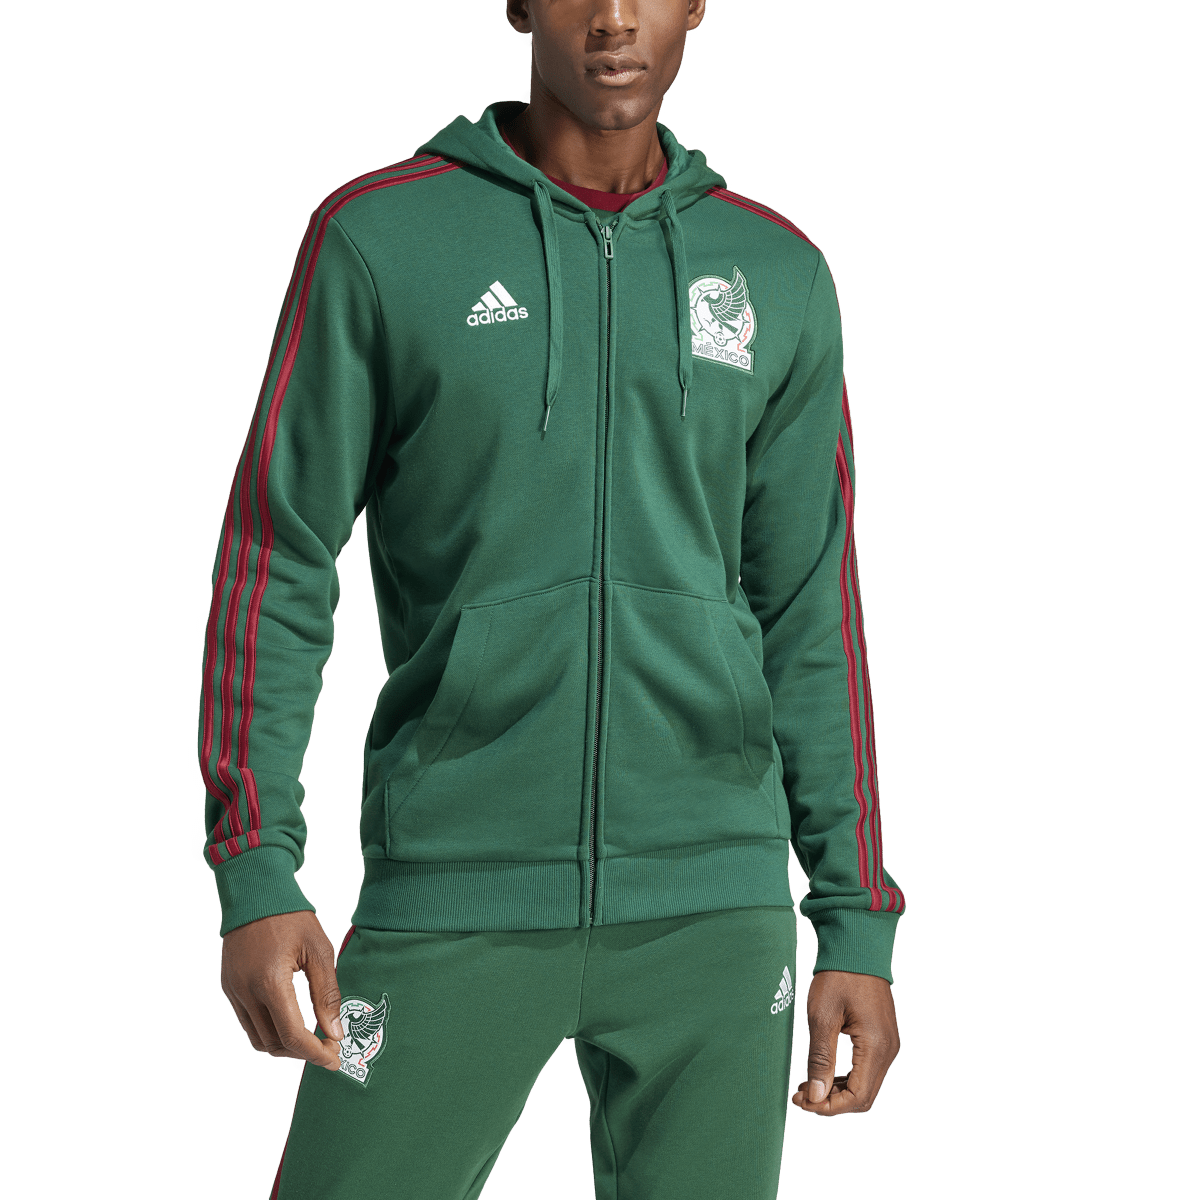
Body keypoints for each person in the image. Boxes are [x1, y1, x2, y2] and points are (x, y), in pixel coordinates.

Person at [196, 2, 905, 1196]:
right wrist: (255, 866)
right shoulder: (381, 238)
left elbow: (811, 611)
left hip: (717, 910)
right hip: (454, 884)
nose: (615, 18)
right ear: (520, 3)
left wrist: (856, 918)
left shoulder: (778, 272)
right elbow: (279, 557)